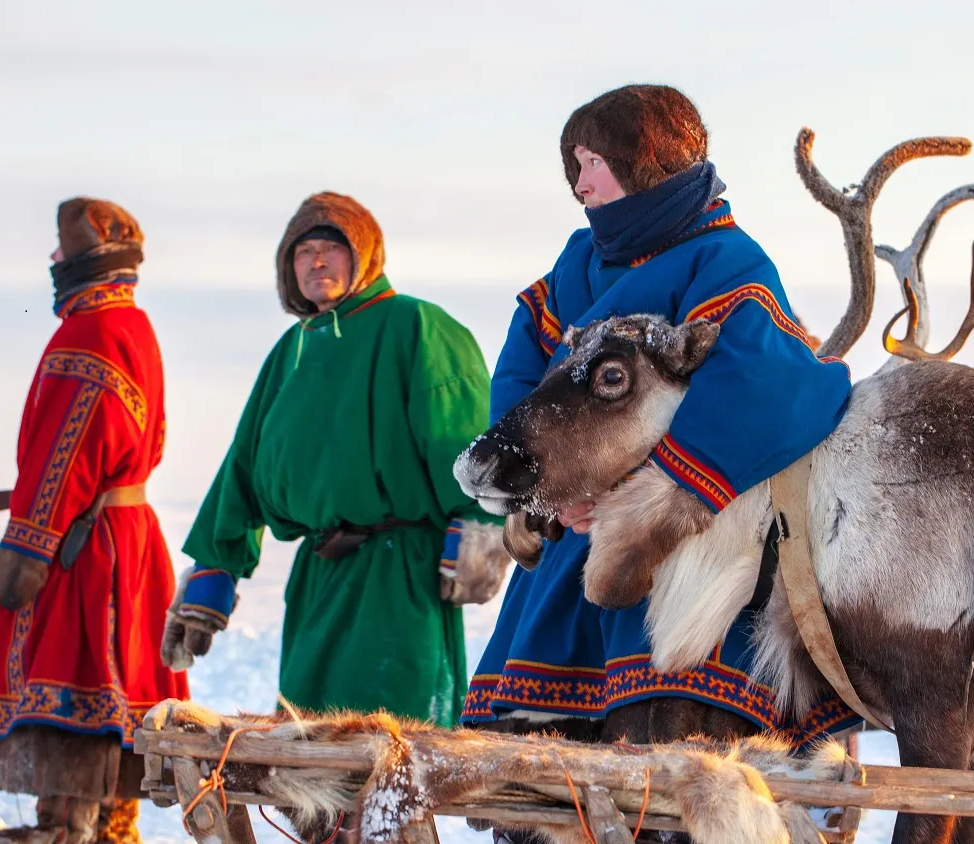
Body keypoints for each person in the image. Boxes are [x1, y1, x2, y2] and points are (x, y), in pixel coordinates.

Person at [466, 84, 860, 778]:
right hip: (572, 542)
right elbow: (523, 383)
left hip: (685, 555)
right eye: (576, 165)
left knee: (679, 769)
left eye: (594, 162)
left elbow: (772, 382)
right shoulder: (571, 271)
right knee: (544, 777)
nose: (580, 182)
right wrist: (551, 494)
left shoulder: (723, 258)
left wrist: (650, 498)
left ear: (644, 160)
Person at [166, 192, 509, 726]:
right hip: (317, 576)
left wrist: (481, 533)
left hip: (402, 573)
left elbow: (466, 440)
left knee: (392, 746)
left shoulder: (417, 326)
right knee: (306, 745)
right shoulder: (291, 351)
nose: (317, 261)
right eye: (303, 253)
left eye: (331, 247)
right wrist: (214, 570)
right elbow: (244, 467)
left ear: (365, 255)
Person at [0, 197, 185, 844]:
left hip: (85, 548)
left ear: (84, 259)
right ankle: (109, 825)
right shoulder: (133, 325)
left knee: (75, 681)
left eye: (60, 250)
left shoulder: (90, 333)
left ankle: (68, 826)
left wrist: (26, 550)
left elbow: (65, 454)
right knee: (110, 694)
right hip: (126, 539)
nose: (52, 260)